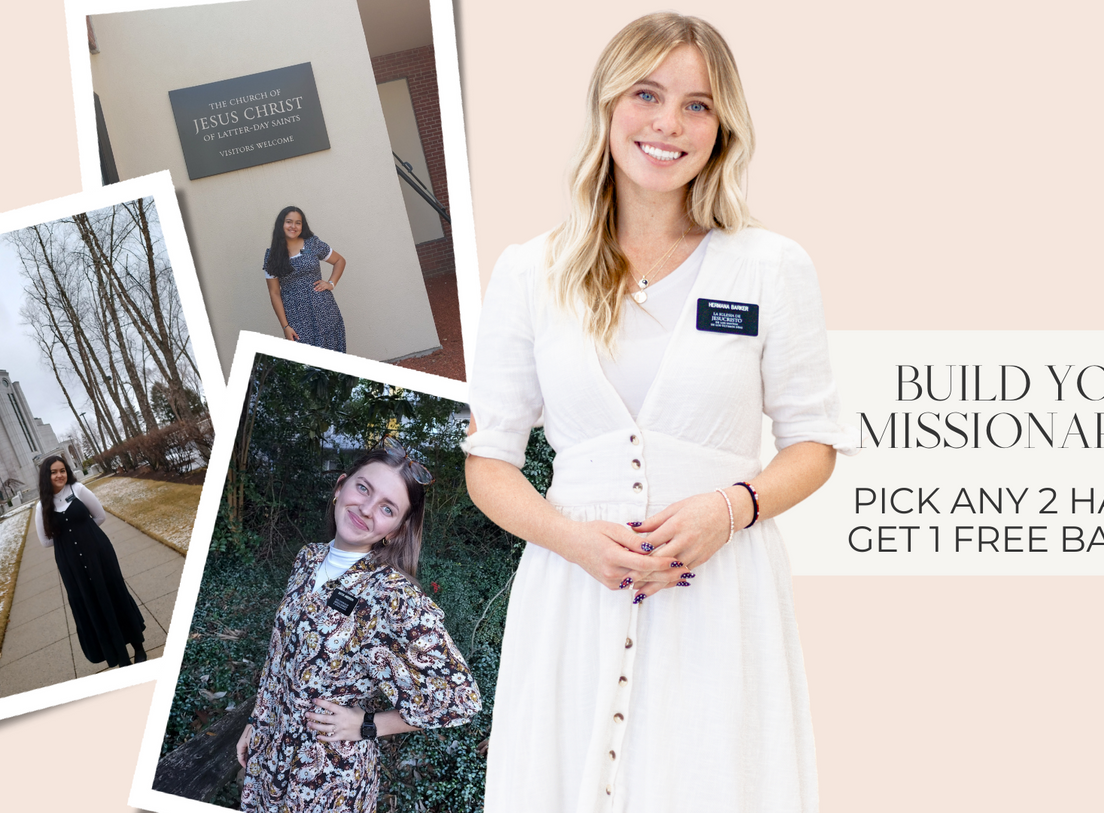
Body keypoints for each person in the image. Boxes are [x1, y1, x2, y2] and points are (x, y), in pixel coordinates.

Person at [464, 12, 852, 811]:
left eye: (698, 105)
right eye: (647, 94)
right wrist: (571, 539)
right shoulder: (529, 271)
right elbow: (489, 462)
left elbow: (813, 441)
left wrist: (729, 507)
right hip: (572, 591)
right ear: (608, 106)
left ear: (723, 127)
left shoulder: (769, 266)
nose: (668, 124)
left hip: (719, 591)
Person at [236, 441, 482, 813]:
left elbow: (461, 698)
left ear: (395, 530)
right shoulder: (308, 558)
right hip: (270, 754)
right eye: (363, 488)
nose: (366, 509)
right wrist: (257, 720)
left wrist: (368, 725)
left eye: (387, 508)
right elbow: (278, 656)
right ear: (340, 487)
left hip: (327, 780)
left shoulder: (391, 596)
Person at [34, 455, 147, 667]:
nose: (59, 475)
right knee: (91, 604)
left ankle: (138, 647)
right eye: (54, 472)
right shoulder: (42, 507)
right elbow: (45, 541)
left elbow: (100, 516)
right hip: (72, 566)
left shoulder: (78, 490)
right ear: (45, 476)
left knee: (115, 596)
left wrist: (86, 536)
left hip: (99, 555)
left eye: (62, 470)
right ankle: (117, 656)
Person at [263, 205, 347, 352]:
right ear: (281, 224)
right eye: (289, 222)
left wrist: (331, 283)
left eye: (298, 222)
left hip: (325, 310)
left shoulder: (312, 243)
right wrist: (285, 326)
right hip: (296, 318)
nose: (293, 226)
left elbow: (340, 261)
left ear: (302, 225)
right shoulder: (272, 256)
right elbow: (274, 293)